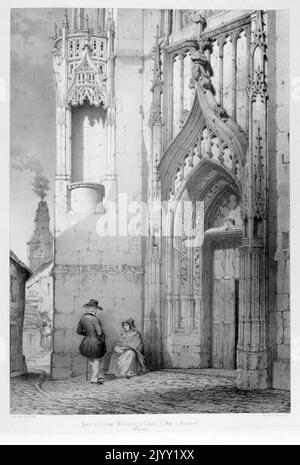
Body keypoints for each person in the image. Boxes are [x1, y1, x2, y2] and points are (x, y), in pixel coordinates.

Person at [76, 299, 106, 385]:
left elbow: (78, 331)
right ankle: (94, 379)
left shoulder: (82, 318)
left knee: (91, 359)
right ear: (93, 309)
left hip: (86, 342)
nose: (94, 310)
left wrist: (87, 334)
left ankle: (94, 375)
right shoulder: (95, 319)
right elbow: (100, 333)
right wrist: (102, 339)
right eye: (94, 308)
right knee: (97, 360)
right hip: (96, 342)